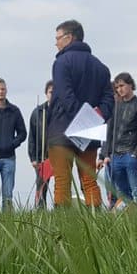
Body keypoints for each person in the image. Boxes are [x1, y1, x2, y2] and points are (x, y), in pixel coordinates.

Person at [48, 19, 113, 208]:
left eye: (58, 38)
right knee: (90, 181)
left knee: (62, 182)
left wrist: (80, 117)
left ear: (69, 37)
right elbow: (109, 99)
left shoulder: (61, 62)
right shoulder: (101, 67)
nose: (56, 43)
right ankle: (97, 224)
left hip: (62, 130)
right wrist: (95, 117)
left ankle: (63, 227)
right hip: (90, 132)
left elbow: (64, 94)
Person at [99, 72, 137, 208]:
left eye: (122, 85)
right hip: (116, 155)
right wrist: (107, 154)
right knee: (122, 193)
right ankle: (128, 218)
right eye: (117, 87)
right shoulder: (115, 107)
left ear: (130, 85)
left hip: (130, 154)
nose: (119, 89)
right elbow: (110, 132)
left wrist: (136, 153)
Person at [0, 78, 27, 211]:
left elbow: (22, 133)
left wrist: (12, 144)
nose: (1, 92)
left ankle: (7, 223)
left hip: (9, 158)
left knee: (7, 196)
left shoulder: (14, 111)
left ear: (6, 90)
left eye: (3, 89)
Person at [28, 80, 54, 208]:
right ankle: (40, 212)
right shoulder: (37, 112)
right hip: (42, 156)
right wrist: (33, 158)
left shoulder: (64, 111)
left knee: (61, 186)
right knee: (41, 187)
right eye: (50, 92)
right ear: (46, 93)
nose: (53, 95)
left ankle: (61, 211)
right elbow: (32, 137)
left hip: (59, 155)